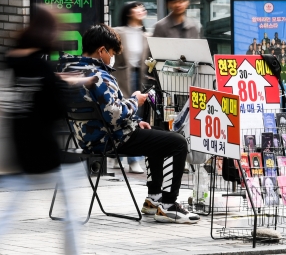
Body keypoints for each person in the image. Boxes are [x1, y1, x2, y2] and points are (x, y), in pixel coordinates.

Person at [0, 5, 109, 255]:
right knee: (73, 194)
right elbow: (55, 108)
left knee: (11, 211)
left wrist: (60, 82)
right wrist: (65, 85)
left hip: (19, 146)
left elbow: (33, 92)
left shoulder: (13, 60)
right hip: (43, 150)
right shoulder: (40, 65)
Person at [66, 24, 200, 224]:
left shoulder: (71, 70)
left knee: (154, 135)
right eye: (111, 52)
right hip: (111, 140)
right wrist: (135, 101)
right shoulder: (99, 77)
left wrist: (135, 122)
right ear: (102, 50)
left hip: (86, 139)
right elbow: (113, 113)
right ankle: (169, 206)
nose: (112, 57)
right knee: (177, 142)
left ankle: (154, 199)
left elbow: (103, 113)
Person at [112, 2, 151, 174]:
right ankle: (131, 159)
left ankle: (124, 155)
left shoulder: (146, 35)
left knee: (137, 115)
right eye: (137, 7)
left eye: (143, 8)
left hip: (140, 77)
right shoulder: (119, 31)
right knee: (124, 113)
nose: (141, 10)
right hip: (121, 77)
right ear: (128, 12)